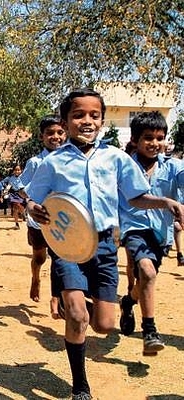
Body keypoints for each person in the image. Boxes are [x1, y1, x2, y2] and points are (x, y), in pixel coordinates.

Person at [25, 88, 184, 400]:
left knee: (104, 325)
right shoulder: (52, 162)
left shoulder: (116, 158)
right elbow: (33, 198)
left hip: (104, 246)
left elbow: (136, 196)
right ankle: (80, 385)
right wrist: (33, 208)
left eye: (94, 115)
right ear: (65, 121)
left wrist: (165, 201)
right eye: (78, 115)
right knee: (76, 316)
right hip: (67, 245)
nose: (87, 120)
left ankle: (83, 303)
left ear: (101, 119)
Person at [118, 111, 184, 355]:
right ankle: (150, 330)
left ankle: (128, 301)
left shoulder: (174, 167)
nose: (155, 143)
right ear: (135, 139)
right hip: (133, 228)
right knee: (145, 270)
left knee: (148, 276)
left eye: (160, 137)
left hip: (161, 233)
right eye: (148, 138)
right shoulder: (124, 166)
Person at [19, 114, 66, 315]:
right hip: (38, 220)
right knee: (39, 258)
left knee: (60, 260)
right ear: (42, 137)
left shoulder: (71, 159)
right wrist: (30, 202)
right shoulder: (35, 162)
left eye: (60, 132)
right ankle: (35, 278)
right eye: (50, 133)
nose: (55, 137)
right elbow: (20, 185)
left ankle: (56, 297)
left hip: (63, 221)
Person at [4, 164, 25, 229]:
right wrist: (5, 191)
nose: (17, 171)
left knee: (21, 207)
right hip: (14, 194)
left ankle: (22, 213)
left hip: (23, 193)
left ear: (21, 170)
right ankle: (16, 224)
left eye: (18, 170)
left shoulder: (24, 177)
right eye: (15, 170)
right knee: (15, 207)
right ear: (13, 171)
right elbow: (9, 186)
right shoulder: (11, 178)